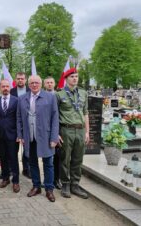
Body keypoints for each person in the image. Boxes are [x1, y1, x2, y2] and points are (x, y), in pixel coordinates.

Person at [17, 75, 59, 202]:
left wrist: (54, 138)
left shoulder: (50, 97)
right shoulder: (22, 98)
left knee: (48, 163)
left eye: (36, 83)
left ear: (41, 84)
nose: (34, 85)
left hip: (45, 136)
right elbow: (18, 118)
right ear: (28, 84)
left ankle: (49, 189)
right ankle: (36, 186)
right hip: (29, 137)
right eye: (32, 83)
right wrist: (20, 135)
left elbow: (55, 119)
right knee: (32, 162)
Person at [56, 68, 90, 199]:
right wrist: (56, 133)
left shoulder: (83, 93)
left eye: (76, 76)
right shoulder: (59, 95)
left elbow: (86, 112)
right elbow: (55, 116)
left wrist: (87, 132)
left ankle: (75, 185)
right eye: (72, 77)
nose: (75, 79)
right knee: (65, 158)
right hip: (66, 130)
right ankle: (65, 183)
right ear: (66, 79)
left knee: (78, 158)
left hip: (80, 130)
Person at [0, 79, 20, 193]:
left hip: (13, 135)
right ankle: (5, 178)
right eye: (3, 86)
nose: (5, 88)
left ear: (10, 88)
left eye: (7, 86)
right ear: (0, 87)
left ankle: (15, 181)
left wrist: (19, 134)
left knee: (13, 158)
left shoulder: (16, 100)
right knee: (3, 157)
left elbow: (19, 119)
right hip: (0, 135)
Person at [10, 72, 31, 178]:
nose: (20, 80)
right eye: (18, 79)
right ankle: (12, 169)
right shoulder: (11, 91)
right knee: (14, 148)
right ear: (15, 79)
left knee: (27, 147)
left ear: (26, 80)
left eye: (22, 79)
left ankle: (26, 169)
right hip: (14, 124)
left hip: (28, 123)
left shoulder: (31, 90)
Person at [44, 76, 62, 190]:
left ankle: (56, 180)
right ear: (44, 84)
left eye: (51, 82)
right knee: (47, 158)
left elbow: (59, 115)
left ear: (54, 84)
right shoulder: (42, 96)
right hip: (46, 131)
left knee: (57, 157)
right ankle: (47, 180)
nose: (50, 84)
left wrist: (57, 133)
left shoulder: (58, 96)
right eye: (47, 83)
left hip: (58, 130)